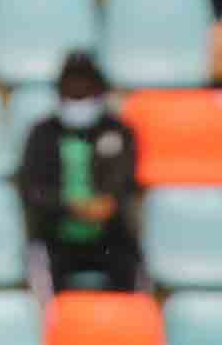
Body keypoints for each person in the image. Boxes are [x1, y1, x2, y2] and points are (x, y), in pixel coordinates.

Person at [17, 53, 148, 295]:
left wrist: (107, 203)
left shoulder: (118, 130)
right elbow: (32, 189)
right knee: (40, 276)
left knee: (134, 274)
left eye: (86, 90)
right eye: (72, 90)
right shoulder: (42, 134)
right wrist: (71, 207)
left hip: (110, 237)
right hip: (55, 237)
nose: (79, 97)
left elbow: (127, 181)